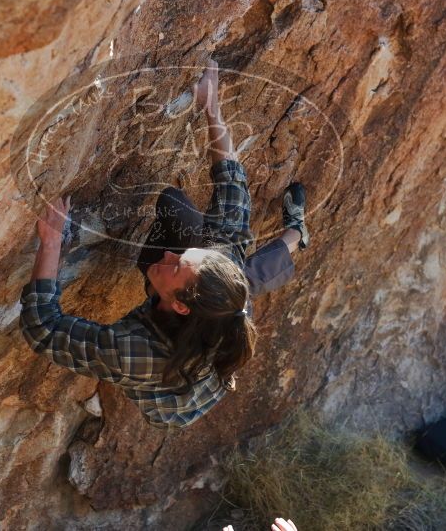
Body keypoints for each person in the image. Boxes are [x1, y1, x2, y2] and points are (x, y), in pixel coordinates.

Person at [19, 59, 309, 428]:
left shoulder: (135, 354)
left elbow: (44, 329)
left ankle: (297, 236)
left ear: (181, 307)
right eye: (186, 257)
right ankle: (296, 234)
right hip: (219, 307)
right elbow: (232, 186)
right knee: (242, 279)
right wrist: (211, 107)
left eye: (176, 264)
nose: (171, 255)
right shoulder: (221, 280)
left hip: (173, 399)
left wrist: (51, 243)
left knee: (244, 280)